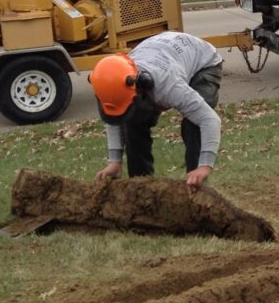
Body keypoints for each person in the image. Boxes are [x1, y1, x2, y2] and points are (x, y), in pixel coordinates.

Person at [90, 31, 223, 191]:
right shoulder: (110, 82)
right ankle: (142, 190)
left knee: (193, 124)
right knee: (133, 123)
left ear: (140, 89)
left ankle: (195, 188)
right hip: (162, 54)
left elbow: (209, 120)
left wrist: (205, 166)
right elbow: (115, 116)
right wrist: (114, 161)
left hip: (202, 63)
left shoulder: (168, 84)